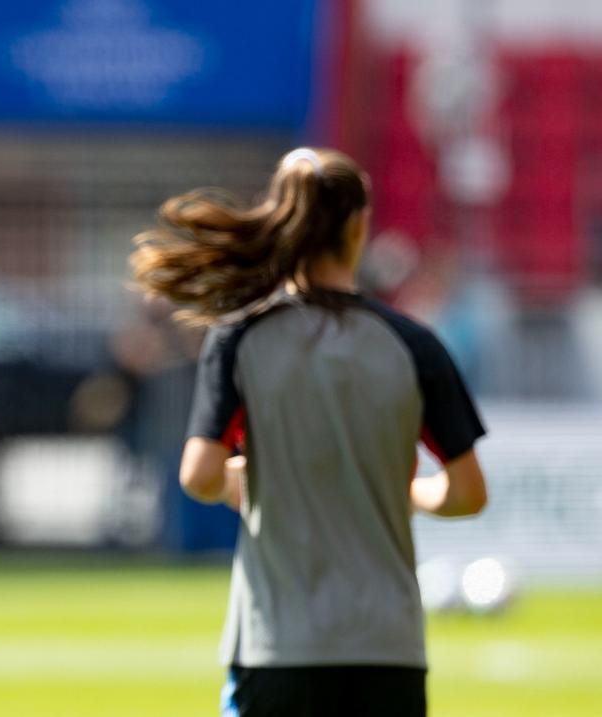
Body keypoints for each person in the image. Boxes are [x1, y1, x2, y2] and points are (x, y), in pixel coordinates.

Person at [130, 147, 488, 717]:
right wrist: (409, 492)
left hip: (278, 641)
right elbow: (468, 492)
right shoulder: (414, 346)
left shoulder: (242, 338)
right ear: (360, 226)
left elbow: (199, 477)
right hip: (387, 647)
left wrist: (243, 485)